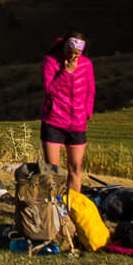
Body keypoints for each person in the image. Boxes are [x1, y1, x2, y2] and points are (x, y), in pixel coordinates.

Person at [41, 33, 95, 194]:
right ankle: (53, 208)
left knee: (76, 168)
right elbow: (50, 90)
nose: (72, 56)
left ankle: (72, 207)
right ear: (64, 46)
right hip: (53, 121)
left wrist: (87, 111)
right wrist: (66, 72)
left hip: (77, 122)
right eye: (69, 51)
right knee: (52, 171)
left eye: (76, 54)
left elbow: (90, 89)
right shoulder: (50, 61)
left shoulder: (86, 64)